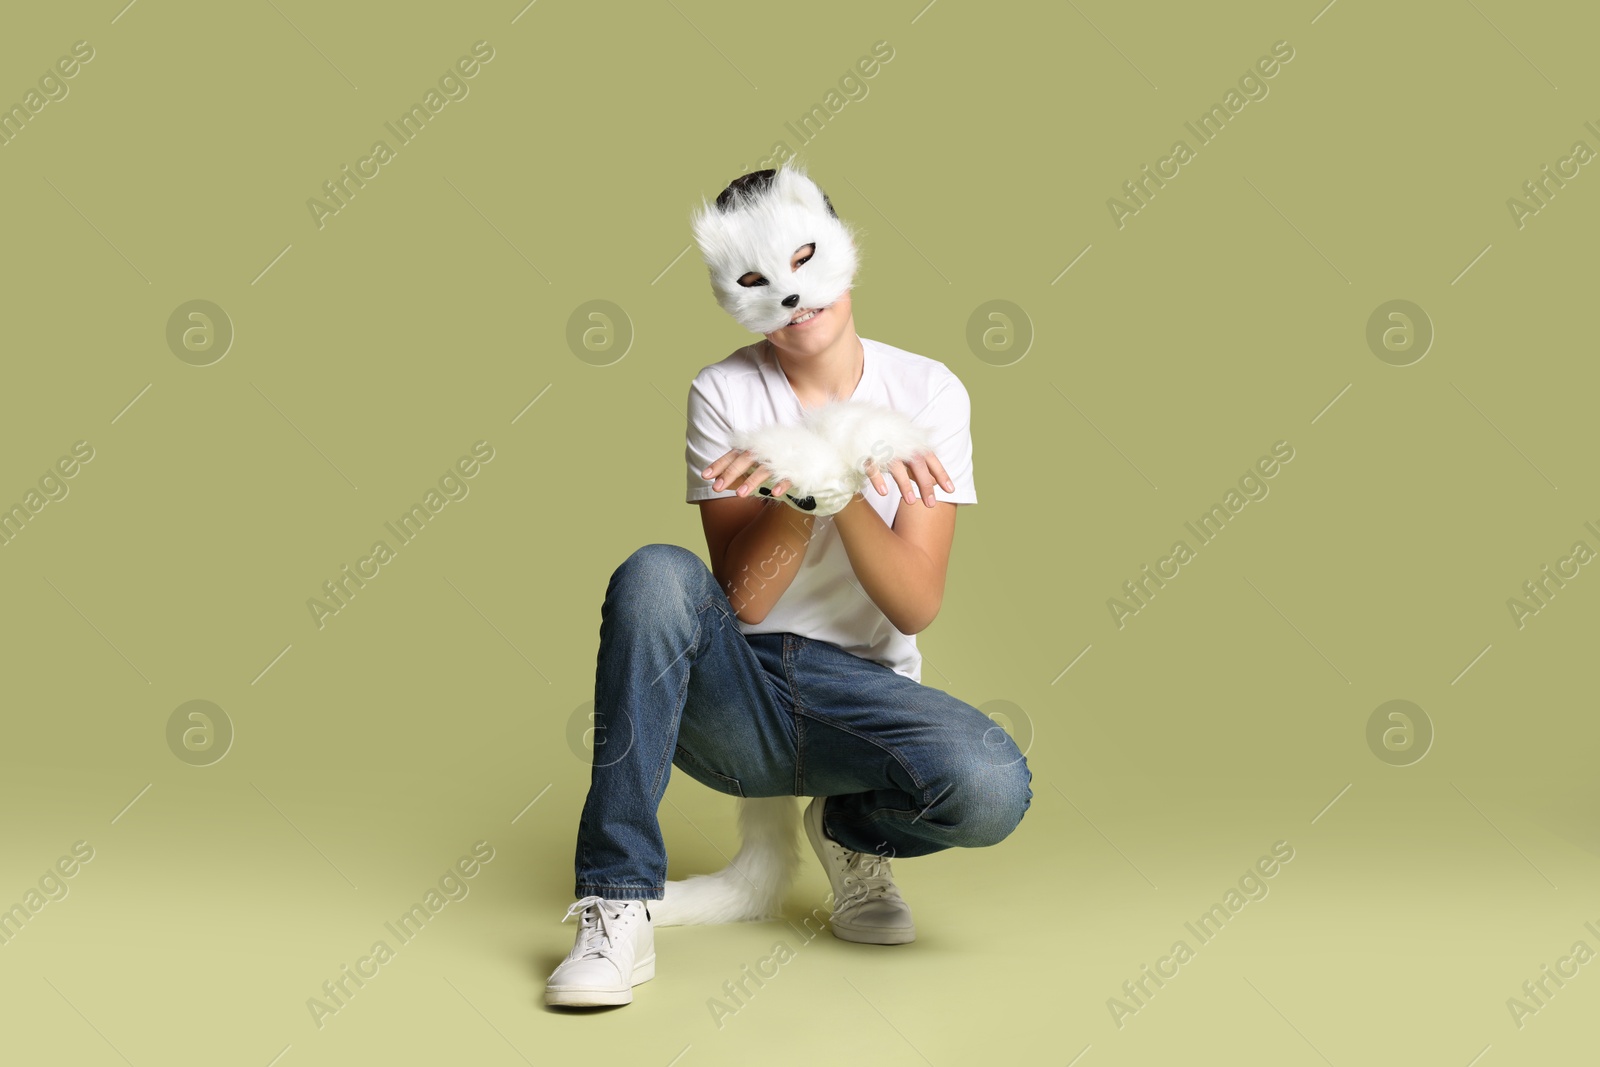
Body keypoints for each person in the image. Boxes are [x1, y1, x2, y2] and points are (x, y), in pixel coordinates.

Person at [545, 162, 1032, 1009]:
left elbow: (914, 603)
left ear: (843, 251)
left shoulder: (927, 391)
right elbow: (744, 601)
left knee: (992, 783)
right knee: (656, 572)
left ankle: (848, 832)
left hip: (864, 697)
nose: (794, 297)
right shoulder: (724, 391)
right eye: (758, 278)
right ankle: (617, 902)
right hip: (740, 690)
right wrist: (800, 488)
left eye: (807, 260)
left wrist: (836, 479)